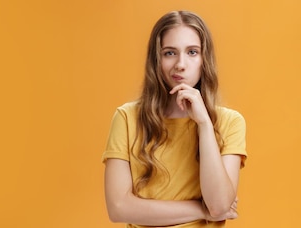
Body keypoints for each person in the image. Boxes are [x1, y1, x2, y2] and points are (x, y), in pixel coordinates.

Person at [102, 10, 247, 228]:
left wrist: (204, 124)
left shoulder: (230, 122)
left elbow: (218, 206)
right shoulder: (127, 118)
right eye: (170, 53)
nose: (180, 64)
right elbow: (118, 208)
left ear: (204, 59)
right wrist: (201, 209)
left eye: (192, 52)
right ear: (156, 59)